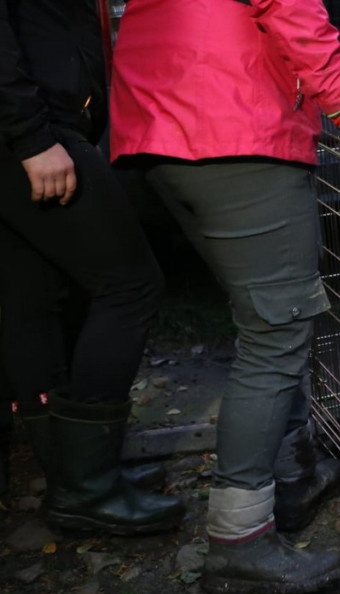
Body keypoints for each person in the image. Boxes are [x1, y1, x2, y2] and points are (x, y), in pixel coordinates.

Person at [109, 0, 340, 594]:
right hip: (232, 126)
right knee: (275, 334)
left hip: (163, 124)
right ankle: (240, 544)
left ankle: (292, 475)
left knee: (265, 319)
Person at [0, 0, 185, 535]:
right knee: (131, 285)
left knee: (29, 296)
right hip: (35, 131)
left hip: (37, 124)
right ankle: (88, 486)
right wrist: (32, 137)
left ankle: (72, 474)